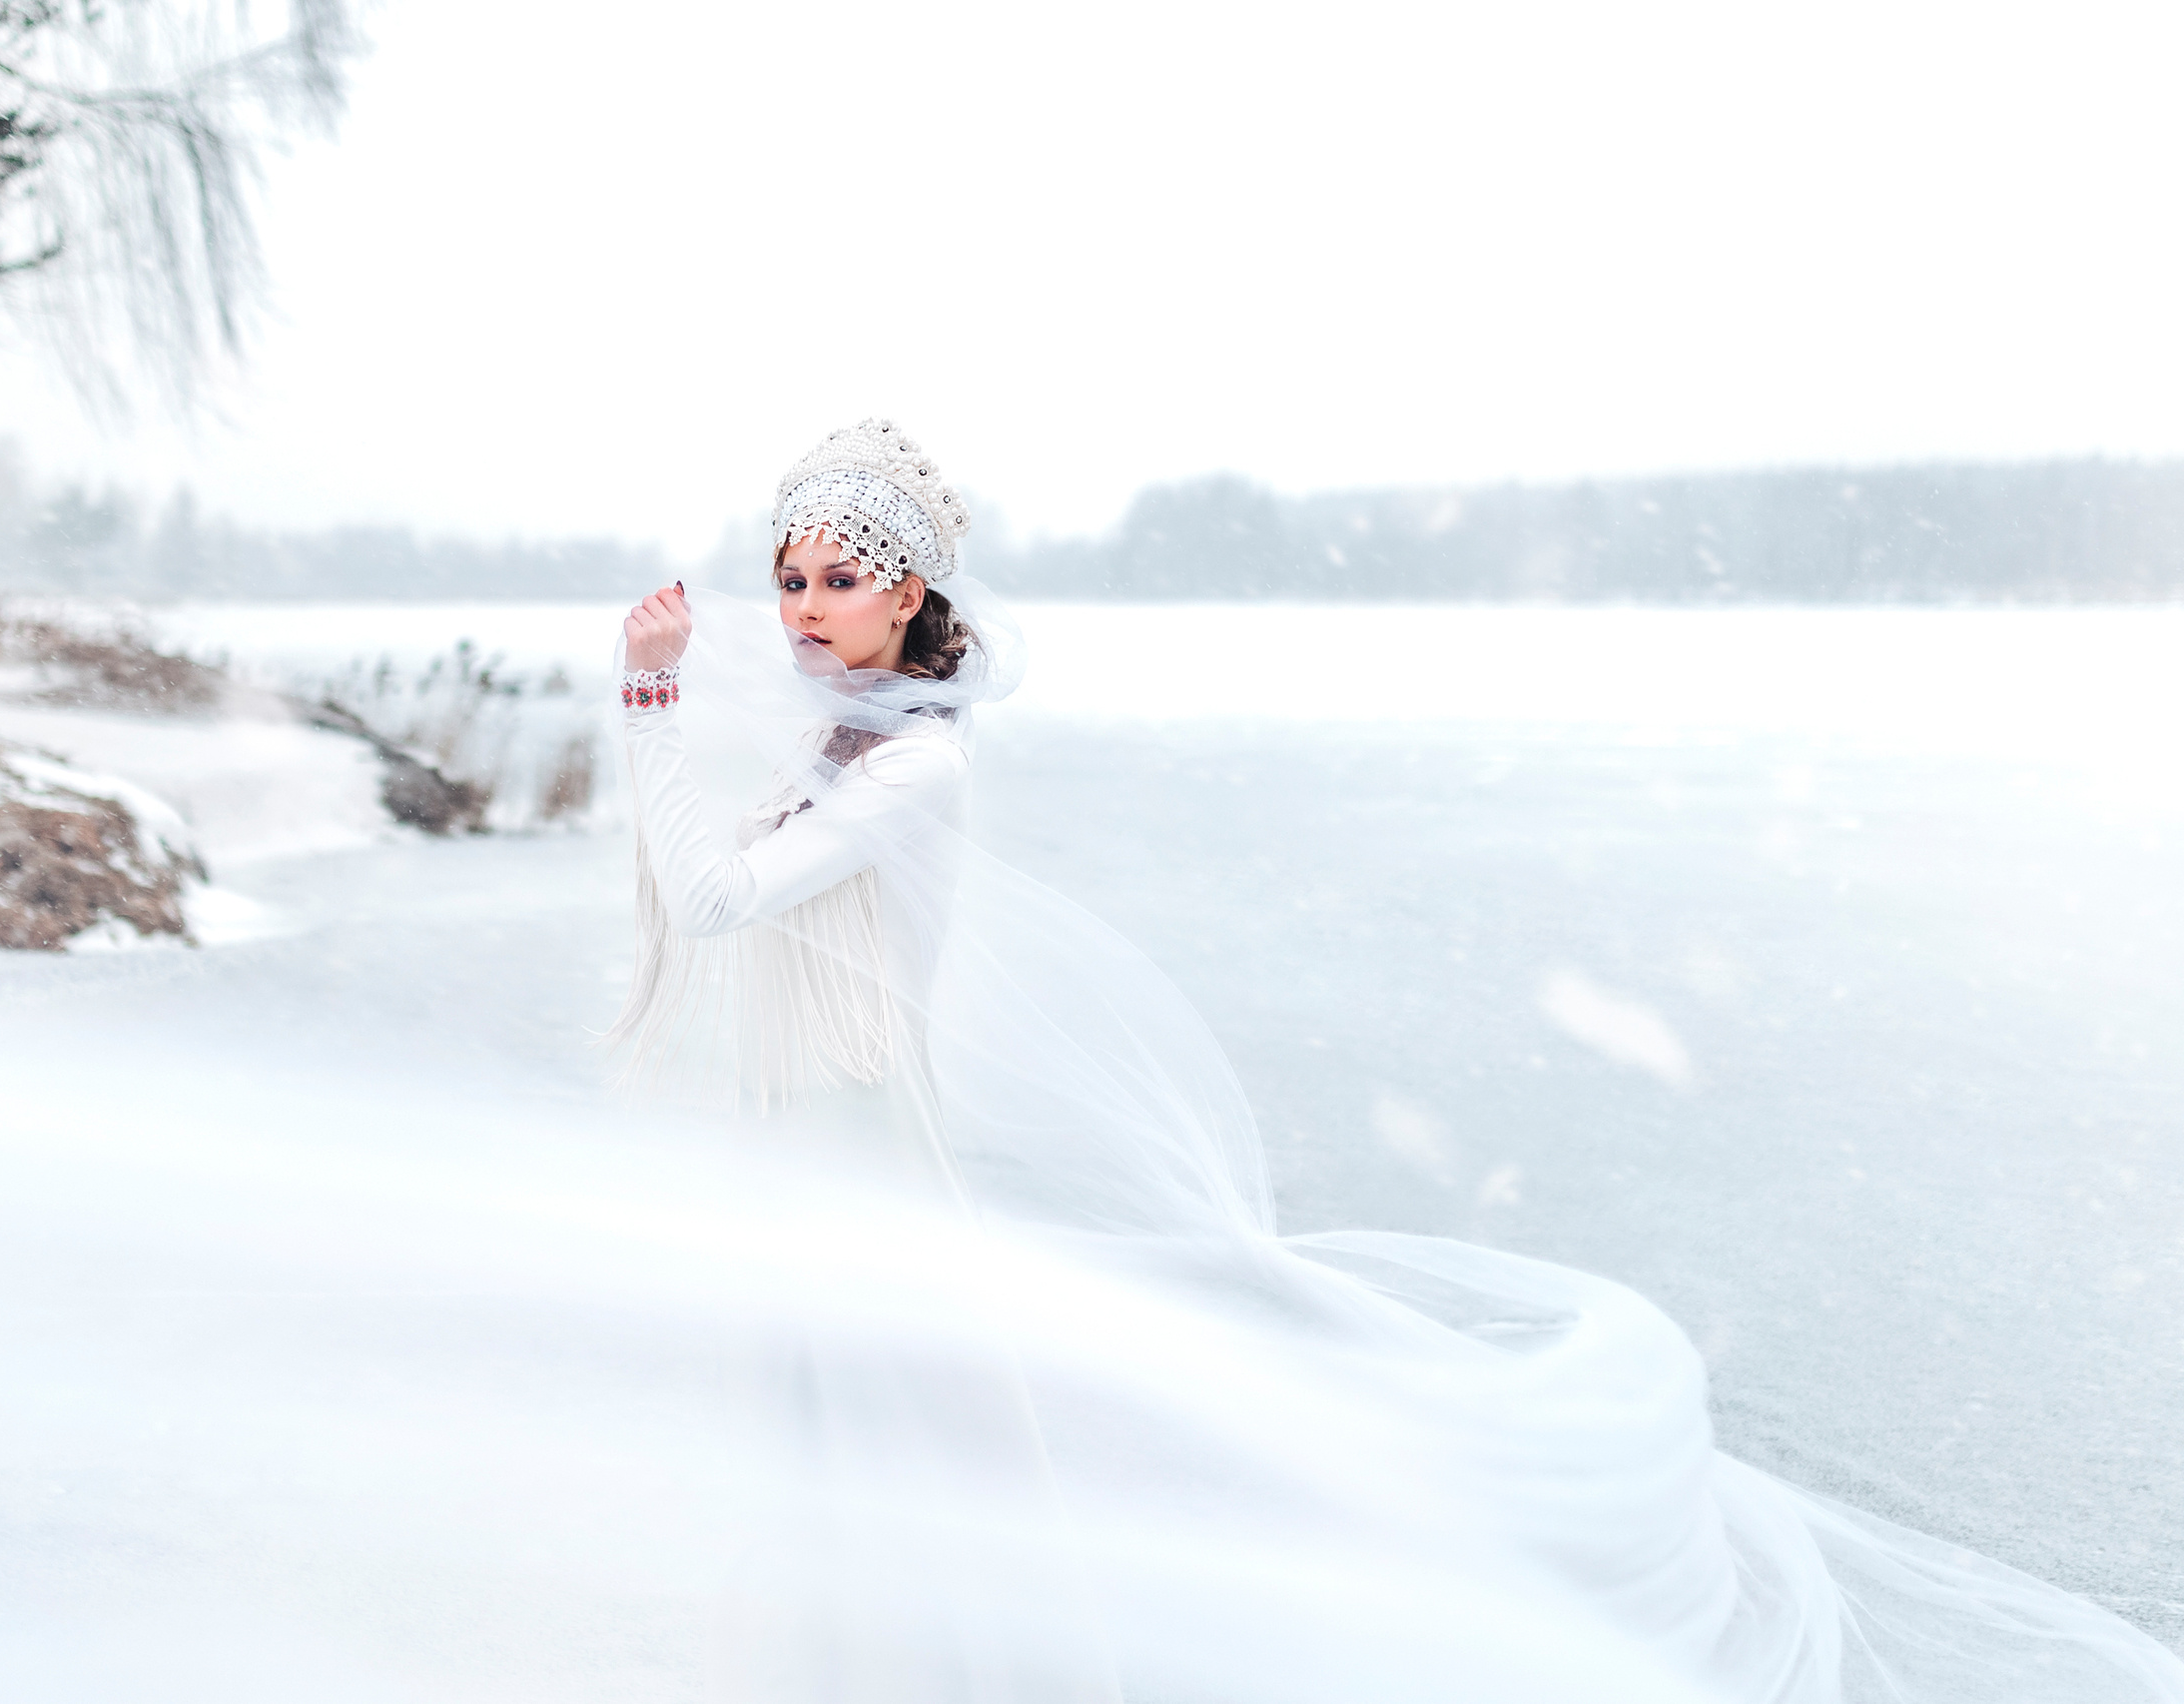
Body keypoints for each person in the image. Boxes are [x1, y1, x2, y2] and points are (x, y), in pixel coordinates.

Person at [609, 421, 2184, 1704]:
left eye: (837, 577)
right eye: (789, 574)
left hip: (865, 1130)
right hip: (813, 1125)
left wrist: (652, 699)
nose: (802, 603)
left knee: (897, 1423)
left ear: (909, 599)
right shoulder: (842, 744)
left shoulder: (913, 762)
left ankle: (960, 1662)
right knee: (839, 1421)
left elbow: (718, 895)